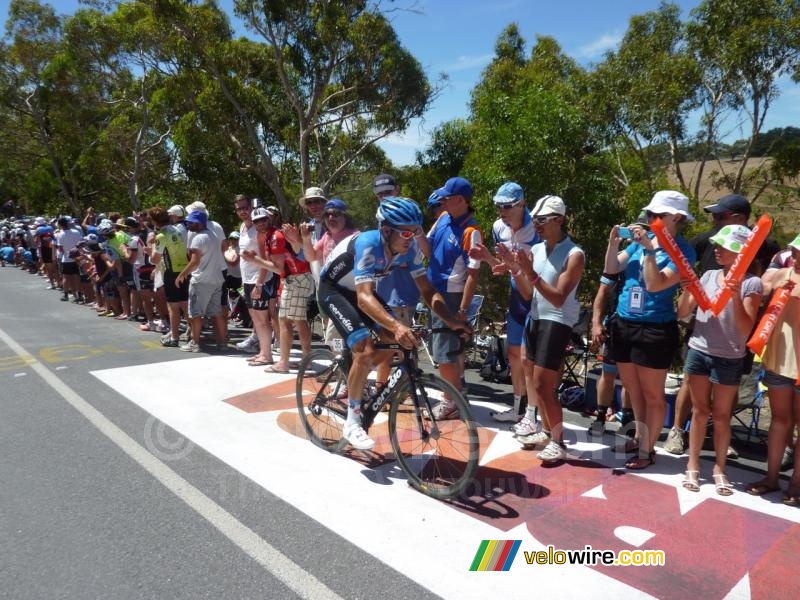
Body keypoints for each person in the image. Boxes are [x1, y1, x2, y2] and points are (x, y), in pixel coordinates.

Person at [316, 197, 470, 450]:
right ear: (386, 230)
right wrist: (398, 326)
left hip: (359, 291)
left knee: (390, 341)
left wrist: (452, 320)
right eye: (406, 232)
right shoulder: (368, 243)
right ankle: (352, 421)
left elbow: (428, 291)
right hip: (333, 291)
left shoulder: (407, 251)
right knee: (365, 348)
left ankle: (356, 370)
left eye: (416, 231)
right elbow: (365, 298)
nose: (411, 238)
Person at [664, 193, 780, 455]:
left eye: (720, 216)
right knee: (690, 383)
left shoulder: (766, 245)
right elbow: (682, 266)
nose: (714, 221)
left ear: (740, 218)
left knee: (730, 384)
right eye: (713, 216)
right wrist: (687, 287)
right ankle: (678, 431)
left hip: (737, 335)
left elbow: (771, 280)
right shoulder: (707, 241)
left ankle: (720, 436)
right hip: (702, 329)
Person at [603, 190, 696, 470]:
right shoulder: (638, 242)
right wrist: (613, 242)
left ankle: (647, 450)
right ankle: (641, 438)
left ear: (677, 218)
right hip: (624, 322)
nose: (651, 219)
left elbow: (655, 285)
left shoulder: (683, 250)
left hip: (656, 327)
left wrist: (650, 251)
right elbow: (611, 268)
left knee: (653, 394)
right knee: (633, 389)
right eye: (650, 215)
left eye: (658, 215)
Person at [496, 195, 585, 463]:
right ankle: (547, 431)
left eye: (542, 220)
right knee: (535, 381)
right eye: (534, 220)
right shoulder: (537, 250)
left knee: (545, 385)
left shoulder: (574, 254)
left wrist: (530, 273)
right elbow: (527, 294)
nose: (536, 225)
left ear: (559, 220)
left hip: (556, 321)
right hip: (536, 318)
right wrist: (515, 270)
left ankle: (558, 440)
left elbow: (558, 297)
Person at [677, 225, 762, 495]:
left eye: (723, 246)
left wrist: (735, 294)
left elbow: (746, 328)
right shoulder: (709, 274)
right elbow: (682, 313)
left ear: (739, 252)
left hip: (729, 355)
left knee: (722, 416)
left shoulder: (751, 283)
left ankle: (719, 468)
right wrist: (688, 290)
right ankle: (693, 464)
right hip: (700, 349)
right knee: (700, 411)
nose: (716, 249)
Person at [470, 182, 538, 423]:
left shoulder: (536, 227)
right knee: (513, 353)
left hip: (538, 298)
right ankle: (518, 408)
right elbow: (504, 267)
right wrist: (487, 258)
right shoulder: (499, 227)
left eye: (507, 206)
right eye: (498, 205)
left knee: (528, 359)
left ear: (522, 204)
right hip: (517, 295)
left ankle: (533, 414)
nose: (502, 211)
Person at [746, 235, 800, 504]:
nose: (798, 256)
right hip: (779, 359)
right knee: (780, 421)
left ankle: (796, 483)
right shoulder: (781, 273)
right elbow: (758, 288)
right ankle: (771, 477)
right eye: (796, 250)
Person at [425, 176, 483, 414]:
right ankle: (457, 397)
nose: (442, 201)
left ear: (460, 200)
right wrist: (416, 234)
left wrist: (462, 310)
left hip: (451, 296)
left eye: (447, 197)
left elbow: (473, 275)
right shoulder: (442, 219)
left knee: (444, 354)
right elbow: (427, 250)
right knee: (447, 350)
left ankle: (451, 402)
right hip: (433, 291)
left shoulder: (472, 232)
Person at [175, 210, 227, 352]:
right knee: (217, 313)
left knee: (196, 314)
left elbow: (194, 262)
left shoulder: (198, 238)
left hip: (201, 281)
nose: (188, 224)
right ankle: (223, 342)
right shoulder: (213, 235)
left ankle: (195, 343)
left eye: (190, 222)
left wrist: (182, 274)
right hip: (216, 280)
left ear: (199, 223)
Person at [239, 207, 278, 366]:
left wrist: (259, 284)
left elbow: (265, 262)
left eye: (263, 219)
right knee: (256, 319)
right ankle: (263, 351)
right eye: (257, 221)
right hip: (248, 280)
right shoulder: (245, 229)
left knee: (262, 320)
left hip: (259, 281)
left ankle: (267, 355)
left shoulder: (263, 236)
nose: (260, 223)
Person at [149, 207, 190, 347]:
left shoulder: (161, 235)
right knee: (185, 304)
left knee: (173, 306)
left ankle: (174, 337)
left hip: (171, 272)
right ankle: (191, 332)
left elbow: (155, 259)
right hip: (184, 269)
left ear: (155, 221)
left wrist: (153, 246)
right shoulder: (177, 229)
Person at [54, 216, 83, 302]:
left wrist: (66, 253)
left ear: (60, 225)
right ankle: (80, 295)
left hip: (66, 258)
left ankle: (66, 295)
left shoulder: (60, 234)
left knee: (66, 277)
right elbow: (81, 244)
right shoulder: (76, 232)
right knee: (77, 276)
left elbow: (60, 248)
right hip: (78, 257)